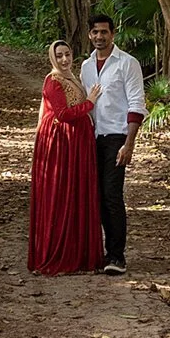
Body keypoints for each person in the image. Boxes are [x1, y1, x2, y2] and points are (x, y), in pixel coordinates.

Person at [28, 39, 106, 275]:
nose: (64, 59)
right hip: (63, 144)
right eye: (59, 55)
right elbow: (62, 114)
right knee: (63, 195)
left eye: (67, 54)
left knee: (77, 194)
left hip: (76, 142)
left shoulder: (73, 78)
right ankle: (59, 255)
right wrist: (89, 103)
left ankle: (79, 255)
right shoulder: (53, 81)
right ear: (53, 58)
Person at [79, 15, 146, 274]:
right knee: (93, 196)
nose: (99, 37)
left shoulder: (127, 64)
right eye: (95, 32)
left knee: (111, 194)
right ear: (89, 35)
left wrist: (129, 143)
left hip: (116, 137)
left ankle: (116, 256)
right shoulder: (85, 67)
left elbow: (136, 104)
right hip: (91, 138)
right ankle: (96, 252)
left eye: (104, 32)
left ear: (113, 34)